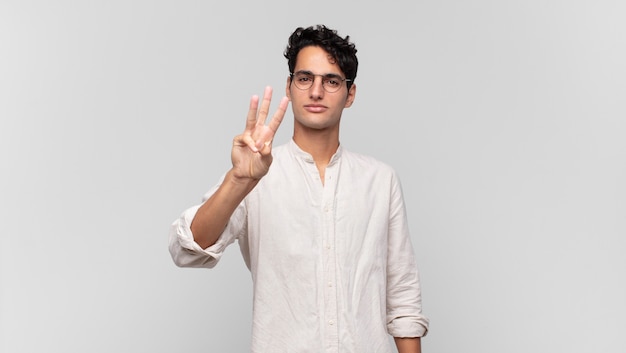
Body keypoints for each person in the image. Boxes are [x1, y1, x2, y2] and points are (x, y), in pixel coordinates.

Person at [169, 24, 429, 353]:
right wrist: (238, 181)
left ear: (350, 95)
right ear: (289, 87)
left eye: (331, 81)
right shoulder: (255, 176)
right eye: (305, 78)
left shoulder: (380, 180)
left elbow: (403, 297)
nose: (316, 91)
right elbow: (187, 250)